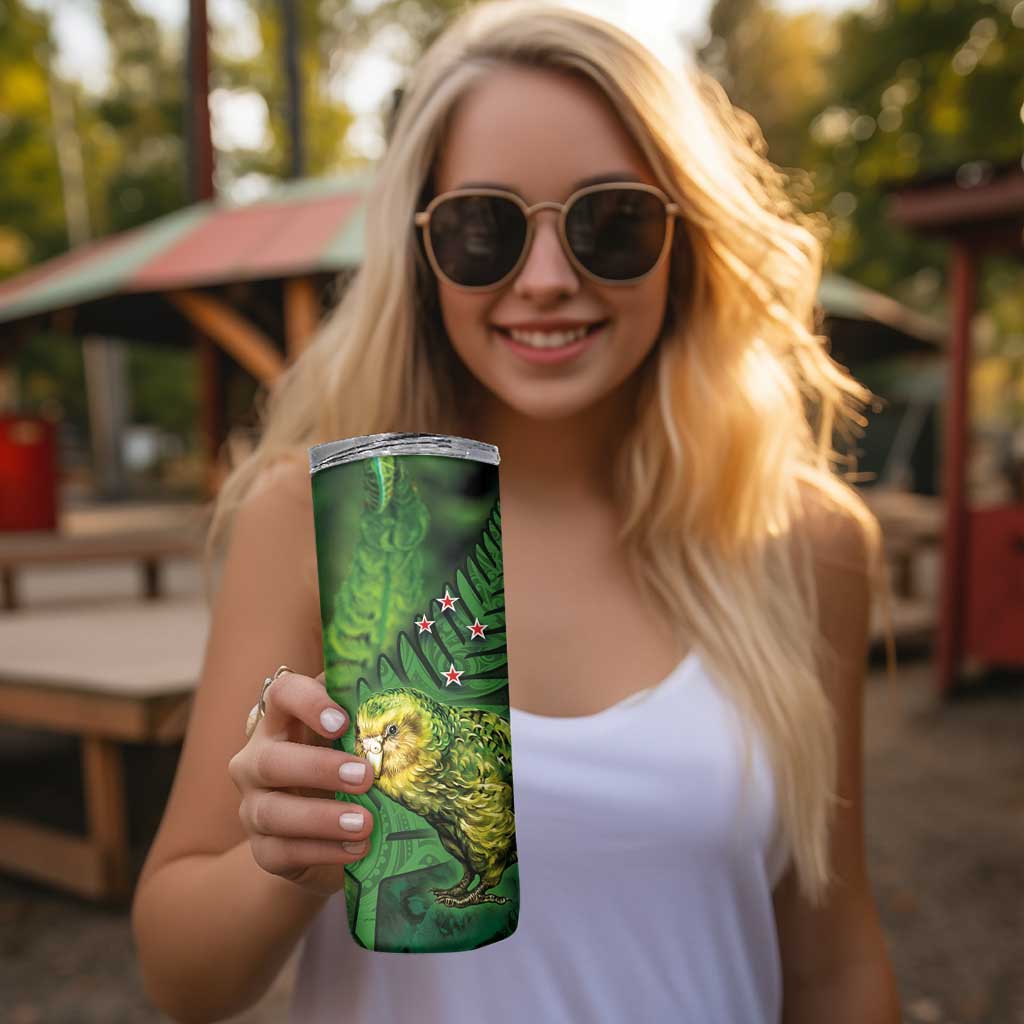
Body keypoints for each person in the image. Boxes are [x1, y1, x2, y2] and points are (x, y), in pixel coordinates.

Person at [131, 2, 902, 1021]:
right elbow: (180, 975)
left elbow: (833, 962)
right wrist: (285, 858)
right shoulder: (319, 519)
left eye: (612, 223)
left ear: (688, 241)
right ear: (420, 249)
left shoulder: (804, 541)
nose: (546, 281)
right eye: (483, 228)